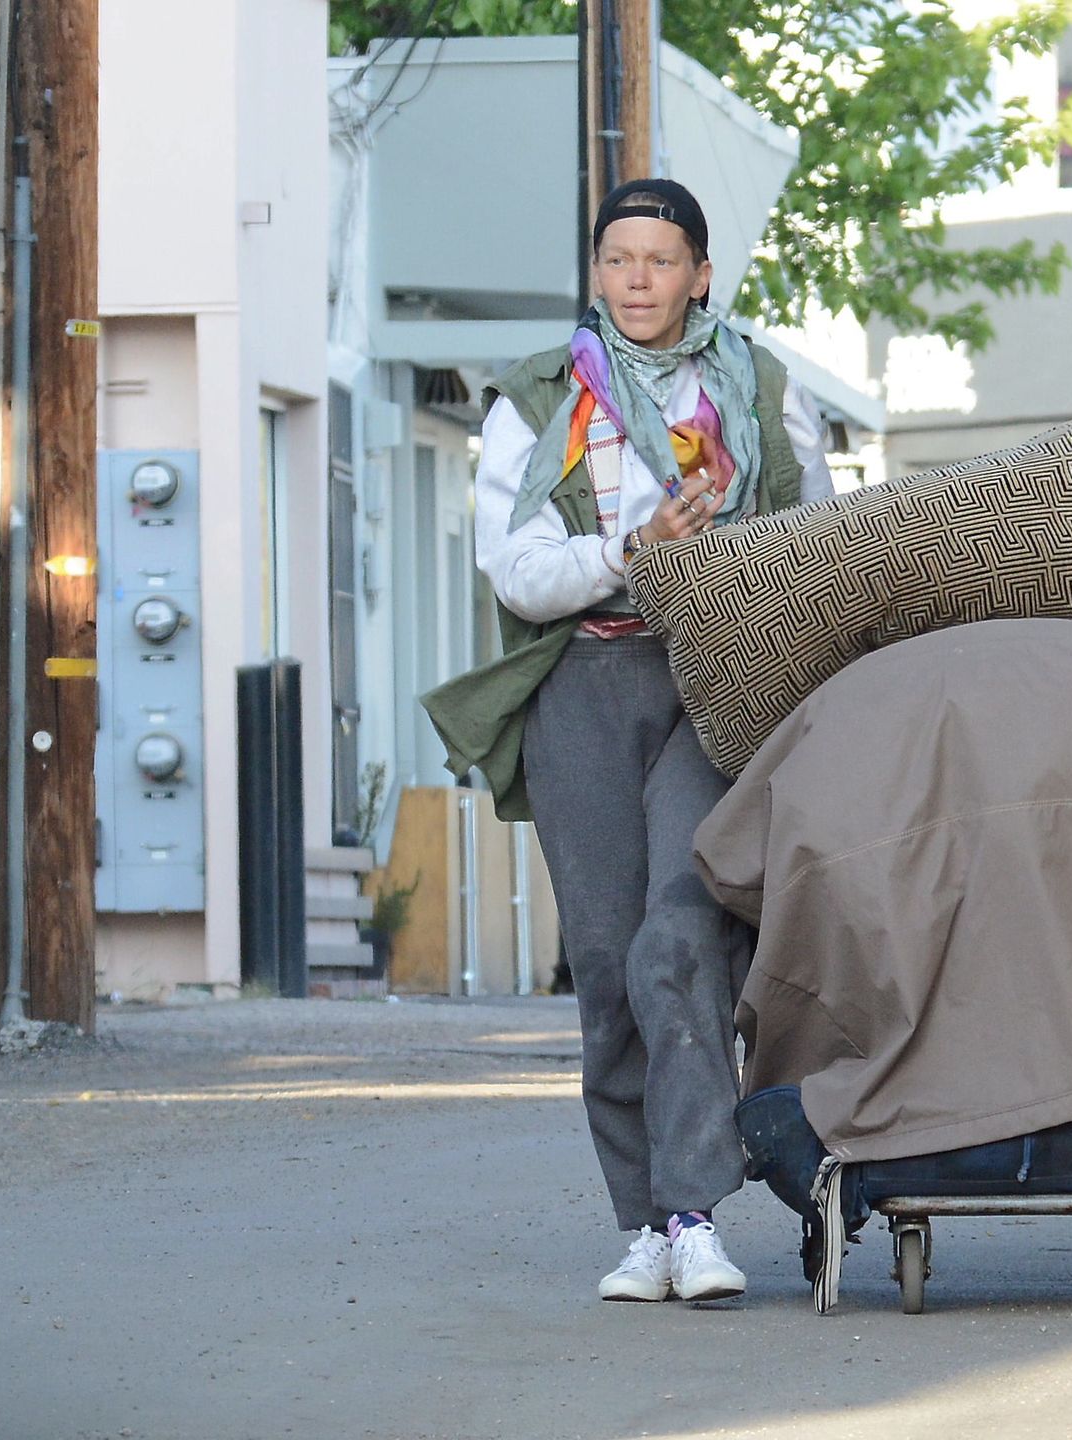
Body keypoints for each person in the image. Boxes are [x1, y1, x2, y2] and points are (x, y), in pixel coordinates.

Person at [433, 177, 833, 1304]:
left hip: (721, 679)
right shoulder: (538, 402)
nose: (640, 280)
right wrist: (634, 547)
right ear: (597, 272)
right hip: (587, 682)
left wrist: (729, 567)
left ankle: (698, 1214)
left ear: (700, 274)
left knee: (681, 940)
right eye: (620, 260)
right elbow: (516, 572)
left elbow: (820, 535)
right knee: (608, 964)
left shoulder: (756, 387)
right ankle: (644, 1223)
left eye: (662, 261)